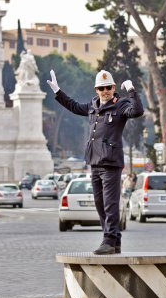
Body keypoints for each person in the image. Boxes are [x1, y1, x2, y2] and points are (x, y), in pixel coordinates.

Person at [47, 69, 144, 254]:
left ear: (114, 87)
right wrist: (58, 92)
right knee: (100, 203)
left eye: (108, 87)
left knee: (110, 203)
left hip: (111, 162)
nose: (105, 91)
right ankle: (114, 241)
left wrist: (131, 90)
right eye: (101, 88)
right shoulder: (93, 105)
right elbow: (74, 106)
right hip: (94, 161)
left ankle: (108, 240)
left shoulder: (120, 104)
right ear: (96, 90)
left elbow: (137, 111)